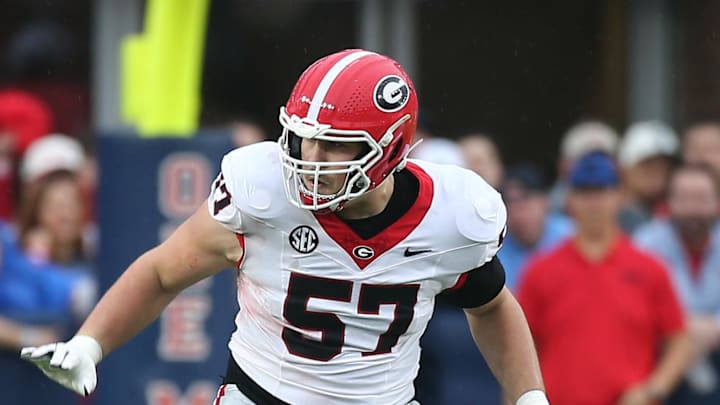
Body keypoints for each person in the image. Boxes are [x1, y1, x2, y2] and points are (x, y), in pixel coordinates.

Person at [20, 49, 549, 405]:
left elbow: (492, 305)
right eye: (302, 137)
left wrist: (529, 396)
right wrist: (90, 343)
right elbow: (163, 273)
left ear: (390, 149)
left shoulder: (451, 218)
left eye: (333, 144)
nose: (308, 158)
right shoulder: (263, 191)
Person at [518, 151, 692, 405]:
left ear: (619, 196)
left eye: (602, 191)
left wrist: (653, 390)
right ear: (570, 199)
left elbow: (679, 340)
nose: (593, 202)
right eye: (584, 192)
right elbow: (518, 345)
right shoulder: (541, 269)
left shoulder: (650, 268)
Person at [634, 164, 720, 402]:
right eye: (684, 198)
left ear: (717, 202)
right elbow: (637, 304)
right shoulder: (645, 243)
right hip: (662, 354)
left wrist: (714, 326)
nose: (693, 209)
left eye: (702, 199)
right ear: (668, 203)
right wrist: (683, 326)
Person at [498, 164, 573, 291]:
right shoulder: (495, 250)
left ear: (545, 202)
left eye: (525, 199)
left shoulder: (570, 234)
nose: (517, 212)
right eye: (509, 202)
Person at [617, 121, 678, 234]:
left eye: (664, 166)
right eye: (647, 165)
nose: (657, 173)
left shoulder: (676, 213)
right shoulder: (604, 210)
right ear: (624, 167)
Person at [547, 120, 619, 214]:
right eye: (584, 159)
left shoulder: (626, 208)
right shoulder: (547, 210)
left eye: (602, 157)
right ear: (563, 165)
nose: (594, 165)